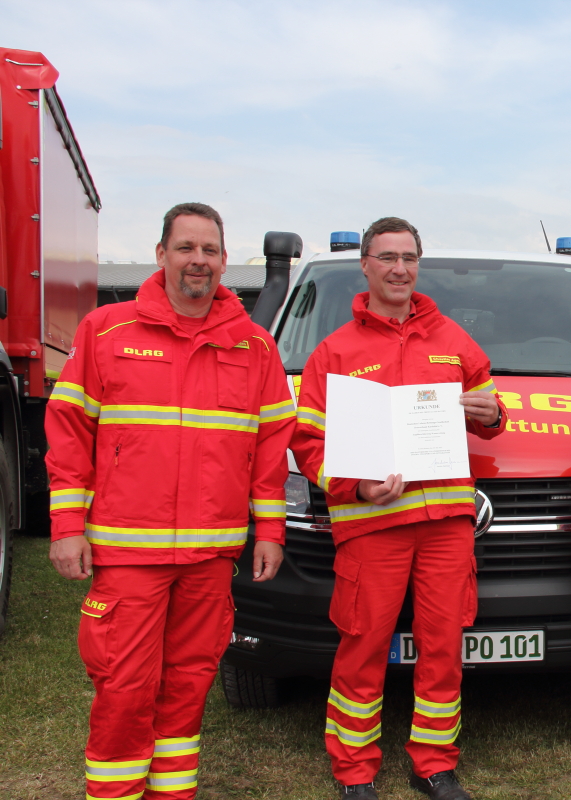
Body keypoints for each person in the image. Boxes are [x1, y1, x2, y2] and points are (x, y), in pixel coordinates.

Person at [45, 203, 295, 800]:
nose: (198, 262)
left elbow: (269, 450)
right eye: (186, 248)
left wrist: (270, 532)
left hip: (211, 555)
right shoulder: (106, 331)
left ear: (225, 263)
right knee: (125, 687)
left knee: (189, 684)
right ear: (161, 255)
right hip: (129, 552)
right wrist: (65, 527)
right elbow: (70, 432)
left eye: (209, 251)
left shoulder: (255, 348)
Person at [289, 217, 506, 800]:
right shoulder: (334, 352)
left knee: (443, 648)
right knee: (362, 646)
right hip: (373, 526)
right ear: (365, 265)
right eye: (387, 257)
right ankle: (355, 771)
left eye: (409, 257)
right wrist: (356, 489)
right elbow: (307, 444)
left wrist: (491, 413)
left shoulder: (455, 341)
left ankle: (433, 763)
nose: (399, 268)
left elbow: (490, 411)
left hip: (446, 530)